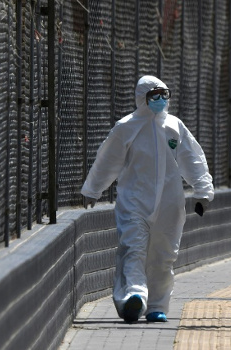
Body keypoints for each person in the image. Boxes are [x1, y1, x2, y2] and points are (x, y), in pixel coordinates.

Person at [81, 75, 214, 323]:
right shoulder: (126, 127)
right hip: (134, 202)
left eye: (165, 95)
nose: (161, 100)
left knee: (164, 256)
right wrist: (93, 189)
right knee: (133, 249)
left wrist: (203, 191)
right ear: (142, 98)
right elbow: (108, 160)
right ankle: (134, 297)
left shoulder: (174, 126)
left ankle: (156, 305)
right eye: (155, 96)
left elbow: (192, 159)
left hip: (169, 203)